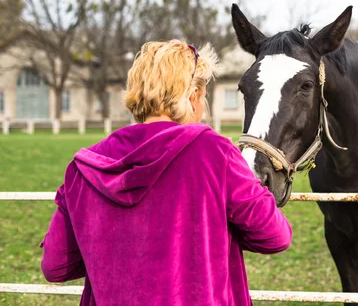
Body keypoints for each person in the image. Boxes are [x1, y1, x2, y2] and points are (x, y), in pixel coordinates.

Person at [39, 39, 292, 305]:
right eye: (203, 96)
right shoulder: (213, 152)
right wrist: (217, 230)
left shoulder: (84, 167)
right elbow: (275, 235)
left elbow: (56, 265)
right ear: (192, 96)